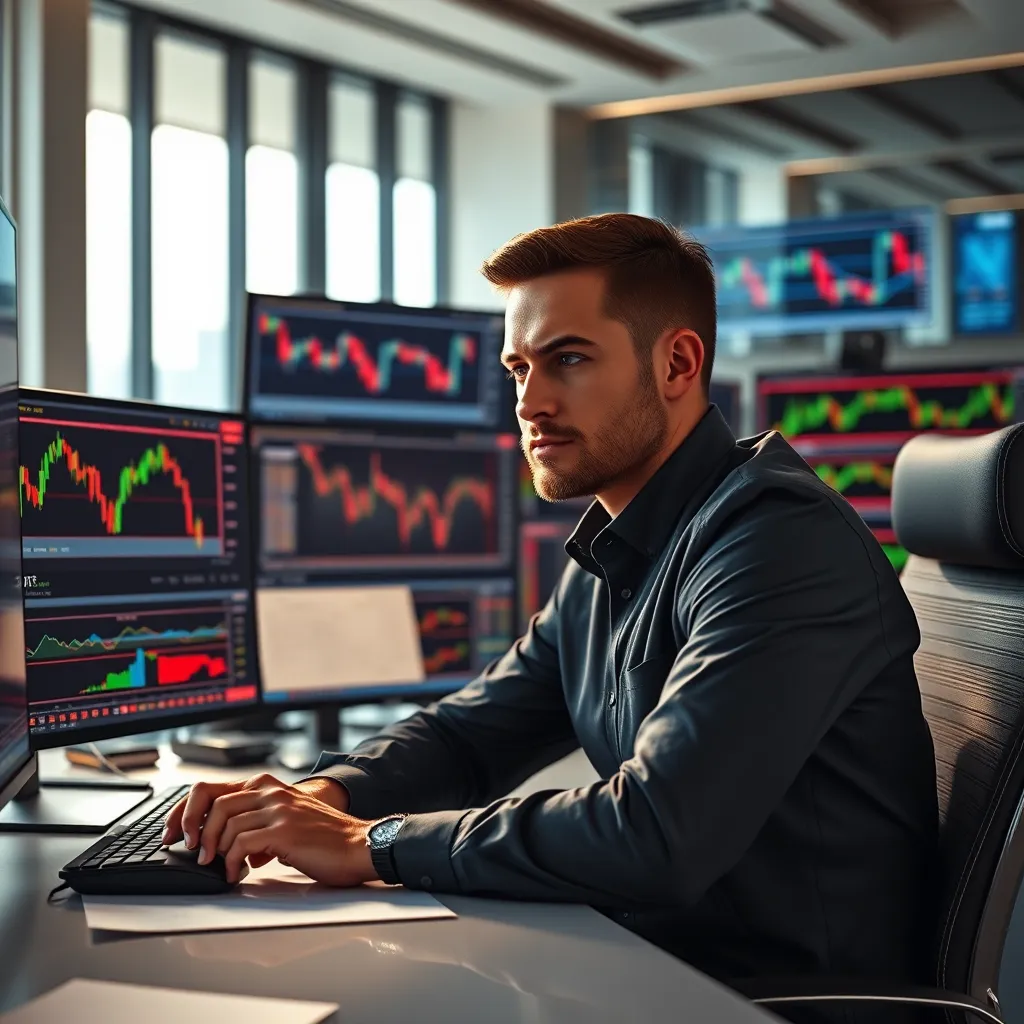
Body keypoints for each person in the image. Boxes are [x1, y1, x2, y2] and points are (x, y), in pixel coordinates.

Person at [163, 213, 938, 987]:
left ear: (676, 363)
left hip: (773, 1002)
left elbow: (656, 834)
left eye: (567, 360)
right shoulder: (615, 545)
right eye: (518, 369)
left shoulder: (776, 543)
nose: (530, 404)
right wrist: (319, 798)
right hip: (656, 971)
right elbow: (471, 737)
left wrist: (373, 842)